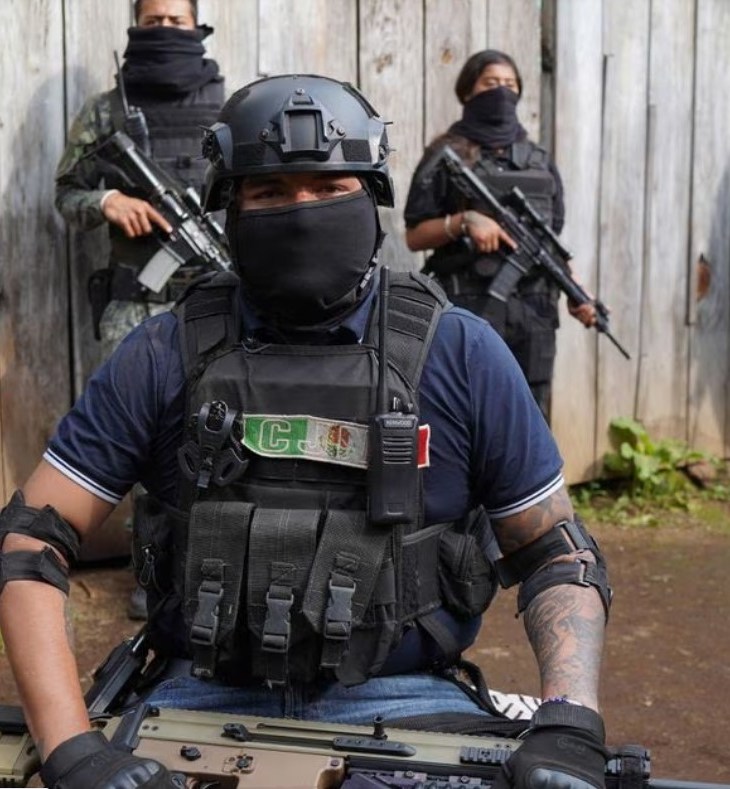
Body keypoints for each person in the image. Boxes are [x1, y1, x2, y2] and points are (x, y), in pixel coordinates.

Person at [0, 75, 611, 789]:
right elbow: (32, 540)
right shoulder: (163, 352)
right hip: (199, 697)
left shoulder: (462, 352)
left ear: (371, 195)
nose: (302, 211)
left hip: (406, 700)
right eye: (270, 192)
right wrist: (72, 747)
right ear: (231, 207)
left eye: (329, 187)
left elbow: (556, 552)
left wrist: (570, 721)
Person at [54, 0, 225, 619]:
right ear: (135, 24)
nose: (165, 29)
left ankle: (215, 568)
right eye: (154, 19)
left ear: (198, 25)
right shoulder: (107, 110)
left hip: (216, 296)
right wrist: (106, 202)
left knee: (221, 429)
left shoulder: (228, 106)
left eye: (176, 20)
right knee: (140, 437)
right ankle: (151, 573)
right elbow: (66, 191)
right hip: (137, 304)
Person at [404, 49, 595, 422]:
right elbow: (415, 235)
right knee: (465, 408)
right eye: (491, 83)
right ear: (468, 92)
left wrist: (578, 292)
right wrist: (465, 221)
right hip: (469, 306)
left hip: (535, 312)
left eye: (510, 84)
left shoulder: (539, 161)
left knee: (531, 416)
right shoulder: (445, 155)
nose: (502, 91)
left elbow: (550, 240)